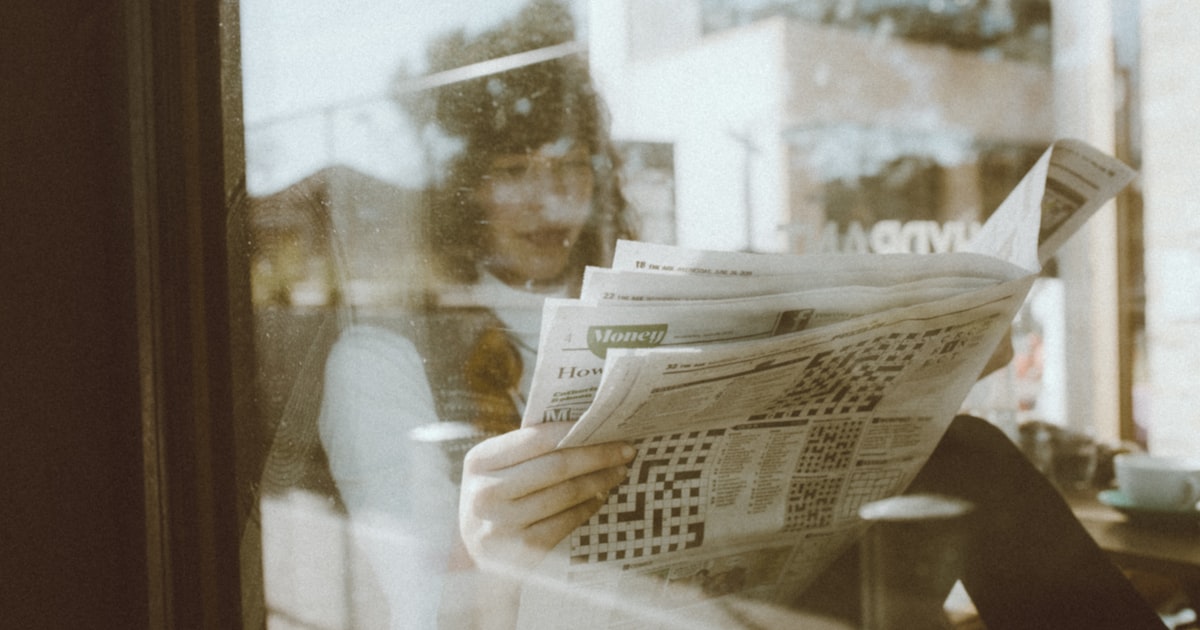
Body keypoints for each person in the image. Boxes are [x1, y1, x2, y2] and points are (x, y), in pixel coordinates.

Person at [318, 2, 1166, 628]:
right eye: (512, 169)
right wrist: (483, 546)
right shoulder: (383, 356)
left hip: (755, 604)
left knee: (968, 452)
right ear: (461, 187)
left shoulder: (636, 298)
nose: (549, 202)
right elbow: (417, 616)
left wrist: (938, 361)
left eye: (570, 168)